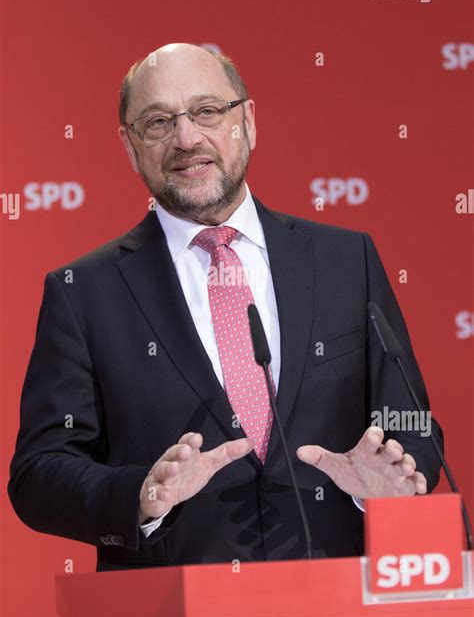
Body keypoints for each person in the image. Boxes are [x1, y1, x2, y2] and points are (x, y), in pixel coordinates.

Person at [8, 43, 442, 572]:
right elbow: (39, 474)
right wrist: (140, 493)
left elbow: (412, 426)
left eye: (208, 111)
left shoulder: (346, 260)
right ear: (129, 146)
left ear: (249, 121)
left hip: (341, 599)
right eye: (158, 121)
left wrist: (384, 478)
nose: (187, 139)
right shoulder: (83, 292)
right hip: (172, 613)